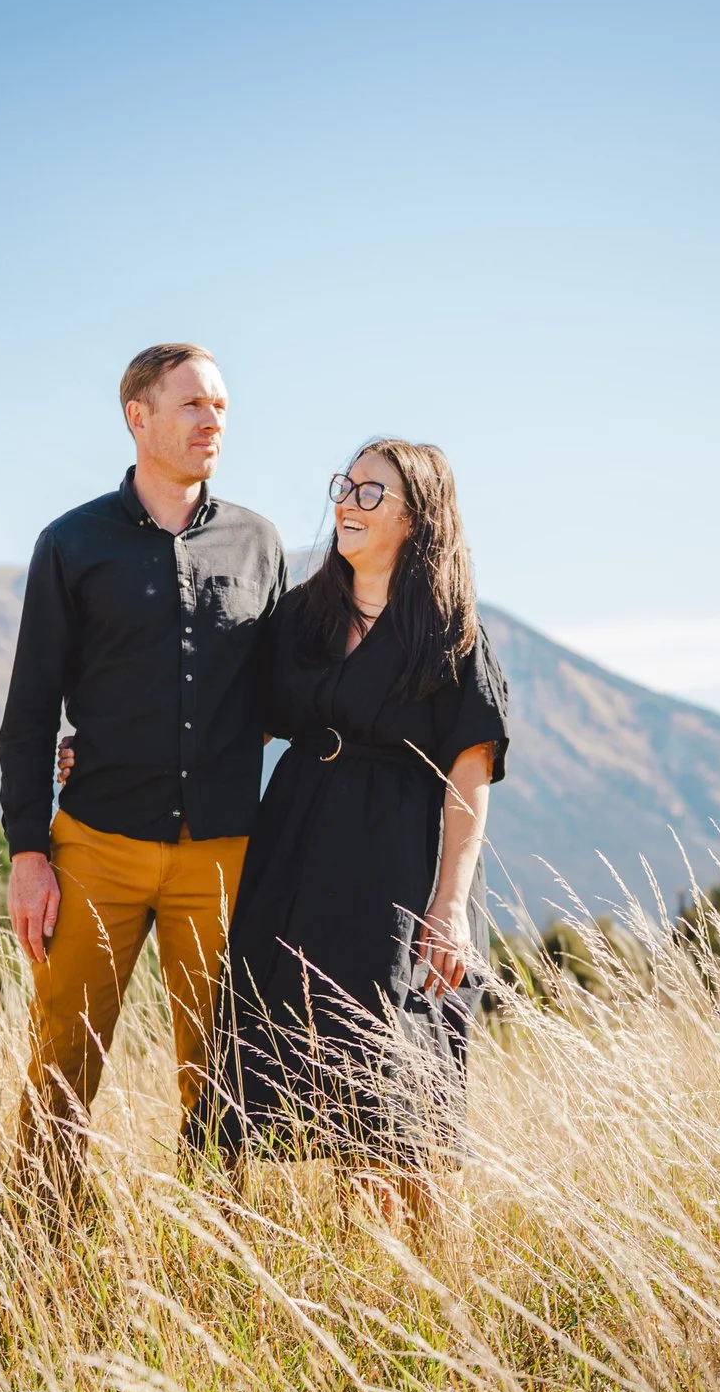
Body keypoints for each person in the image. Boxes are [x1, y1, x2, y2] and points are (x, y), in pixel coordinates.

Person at [191, 436, 509, 1227]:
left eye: (371, 492)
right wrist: (104, 746)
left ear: (417, 515)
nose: (347, 502)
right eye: (345, 486)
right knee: (272, 1038)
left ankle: (422, 1263)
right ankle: (254, 1247)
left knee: (391, 1059)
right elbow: (234, 718)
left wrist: (451, 905)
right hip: (294, 844)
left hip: (391, 859)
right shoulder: (303, 614)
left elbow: (470, 771)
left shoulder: (448, 628)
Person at [0, 343, 288, 1203]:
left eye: (223, 408)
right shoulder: (72, 543)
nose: (212, 422)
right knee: (64, 1055)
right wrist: (26, 850)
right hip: (98, 845)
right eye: (194, 404)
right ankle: (35, 1246)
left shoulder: (259, 542)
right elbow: (29, 707)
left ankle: (220, 1251)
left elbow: (281, 695)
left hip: (226, 851)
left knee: (224, 1068)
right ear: (139, 416)